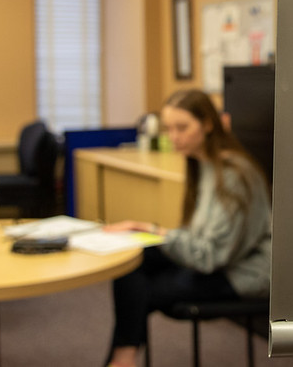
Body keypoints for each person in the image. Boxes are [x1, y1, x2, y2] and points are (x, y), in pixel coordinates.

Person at [104, 89, 272, 367]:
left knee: (141, 288)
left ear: (207, 124)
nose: (174, 137)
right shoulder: (204, 165)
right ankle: (123, 359)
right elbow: (199, 241)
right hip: (219, 261)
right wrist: (145, 232)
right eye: (169, 128)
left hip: (243, 272)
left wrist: (154, 231)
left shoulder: (235, 175)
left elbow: (210, 256)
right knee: (131, 258)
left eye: (182, 127)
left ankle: (122, 359)